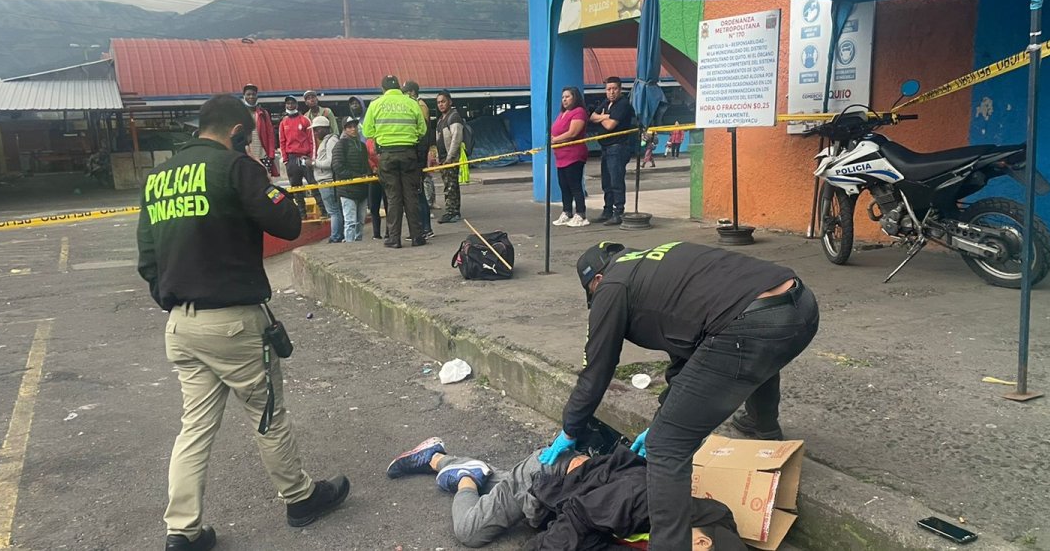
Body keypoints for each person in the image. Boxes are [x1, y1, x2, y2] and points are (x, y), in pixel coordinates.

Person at [136, 94, 349, 551]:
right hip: (233, 323)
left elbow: (147, 260)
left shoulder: (158, 177)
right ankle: (300, 498)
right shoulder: (236, 167)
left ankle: (183, 530)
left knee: (195, 428)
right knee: (268, 417)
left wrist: (178, 301)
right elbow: (289, 222)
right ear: (237, 132)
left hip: (181, 325)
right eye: (247, 136)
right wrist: (260, 170)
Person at [538, 241, 819, 551]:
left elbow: (596, 371)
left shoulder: (611, 286)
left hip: (751, 325)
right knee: (756, 351)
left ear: (596, 282)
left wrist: (569, 431)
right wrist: (664, 415)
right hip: (801, 307)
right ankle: (762, 426)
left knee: (666, 445)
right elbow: (692, 358)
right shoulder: (654, 262)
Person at [384, 437, 745, 551]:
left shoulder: (708, 522)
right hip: (544, 480)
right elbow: (577, 518)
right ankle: (463, 476)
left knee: (499, 484)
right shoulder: (642, 500)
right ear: (702, 544)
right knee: (470, 530)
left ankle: (438, 456)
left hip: (568, 485)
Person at [362, 75, 427, 248]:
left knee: (393, 197)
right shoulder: (412, 103)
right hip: (409, 154)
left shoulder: (376, 104)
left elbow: (368, 131)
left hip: (387, 156)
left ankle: (394, 238)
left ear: (383, 89)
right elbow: (422, 130)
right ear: (399, 87)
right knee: (411, 196)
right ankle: (417, 237)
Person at [588, 77, 635, 226]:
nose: (611, 92)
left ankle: (618, 212)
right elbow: (592, 117)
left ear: (620, 89)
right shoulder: (606, 103)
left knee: (616, 181)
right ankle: (607, 210)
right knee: (606, 182)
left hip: (618, 146)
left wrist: (602, 118)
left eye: (614, 88)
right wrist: (605, 116)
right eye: (608, 89)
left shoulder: (623, 104)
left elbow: (609, 126)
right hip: (606, 147)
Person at [550, 86, 590, 228]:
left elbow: (573, 133)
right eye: (563, 97)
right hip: (560, 156)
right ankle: (567, 212)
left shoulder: (579, 112)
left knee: (575, 186)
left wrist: (555, 140)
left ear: (575, 97)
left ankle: (581, 214)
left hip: (574, 155)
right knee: (564, 185)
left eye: (568, 96)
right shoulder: (563, 113)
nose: (564, 100)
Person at [278, 96, 324, 219]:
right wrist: (286, 160)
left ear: (296, 105)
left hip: (305, 157)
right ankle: (302, 214)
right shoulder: (284, 123)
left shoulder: (305, 120)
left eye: (292, 103)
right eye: (287, 103)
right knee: (296, 187)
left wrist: (312, 158)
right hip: (291, 158)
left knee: (313, 185)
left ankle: (323, 211)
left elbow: (312, 140)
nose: (290, 105)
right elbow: (282, 142)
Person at [402, 80, 435, 239]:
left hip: (418, 157)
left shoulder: (419, 106)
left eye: (406, 92)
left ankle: (425, 228)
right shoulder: (416, 105)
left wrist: (419, 159)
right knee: (416, 193)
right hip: (417, 156)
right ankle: (423, 228)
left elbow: (422, 134)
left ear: (413, 92)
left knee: (418, 194)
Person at [333, 116, 371, 242]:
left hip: (362, 189)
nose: (353, 129)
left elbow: (366, 164)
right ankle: (349, 247)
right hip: (347, 190)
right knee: (350, 222)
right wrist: (356, 176)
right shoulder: (340, 145)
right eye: (349, 127)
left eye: (354, 126)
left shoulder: (362, 145)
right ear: (344, 129)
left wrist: (365, 175)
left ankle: (358, 245)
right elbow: (338, 167)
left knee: (360, 222)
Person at [433, 90, 465, 224]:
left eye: (443, 101)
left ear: (450, 102)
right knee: (448, 185)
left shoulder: (454, 117)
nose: (441, 104)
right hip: (443, 158)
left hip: (450, 158)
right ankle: (451, 210)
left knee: (451, 185)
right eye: (439, 102)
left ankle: (453, 212)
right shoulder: (441, 119)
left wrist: (450, 157)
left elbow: (456, 139)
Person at [311, 116, 343, 243]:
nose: (315, 133)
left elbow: (330, 162)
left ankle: (336, 237)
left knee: (333, 211)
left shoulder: (331, 141)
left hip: (327, 180)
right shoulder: (327, 141)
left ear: (324, 129)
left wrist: (313, 163)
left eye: (316, 129)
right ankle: (338, 235)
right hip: (325, 180)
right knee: (335, 210)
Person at [240, 83, 280, 178]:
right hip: (246, 155)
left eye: (253, 94)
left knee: (265, 181)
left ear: (257, 96)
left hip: (263, 154)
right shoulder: (240, 113)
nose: (251, 96)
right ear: (244, 96)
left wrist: (271, 154)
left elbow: (270, 134)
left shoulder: (263, 113)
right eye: (248, 94)